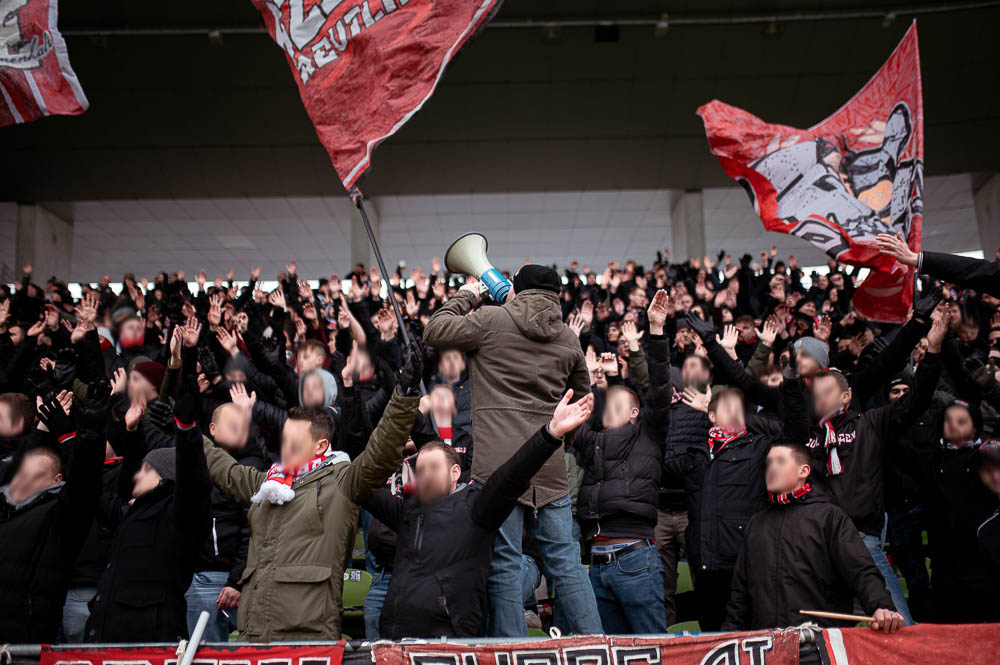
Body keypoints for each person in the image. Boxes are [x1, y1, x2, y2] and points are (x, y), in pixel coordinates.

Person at [199, 344, 422, 641]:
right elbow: (225, 470)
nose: (284, 447)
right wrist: (188, 428)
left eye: (294, 439)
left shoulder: (342, 481)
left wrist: (405, 393)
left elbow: (381, 451)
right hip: (256, 636)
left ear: (320, 446)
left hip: (307, 639)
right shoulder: (268, 483)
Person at [423, 264, 599, 636]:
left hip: (496, 469)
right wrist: (558, 445)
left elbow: (434, 329)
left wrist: (468, 294)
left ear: (516, 289)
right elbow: (582, 403)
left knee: (504, 564)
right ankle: (595, 645)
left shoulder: (489, 319)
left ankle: (511, 652)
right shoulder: (568, 337)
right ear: (555, 294)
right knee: (566, 563)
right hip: (549, 468)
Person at [367, 389, 594, 639]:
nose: (426, 475)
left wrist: (550, 433)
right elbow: (361, 481)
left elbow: (512, 475)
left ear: (455, 473)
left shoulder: (475, 508)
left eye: (433, 467)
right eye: (420, 470)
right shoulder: (407, 512)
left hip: (449, 643)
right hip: (397, 640)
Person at [722, 441, 905, 633]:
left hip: (818, 645)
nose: (772, 468)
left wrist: (881, 606)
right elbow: (740, 593)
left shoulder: (830, 517)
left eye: (781, 461)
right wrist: (728, 634)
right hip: (768, 647)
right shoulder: (757, 524)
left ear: (804, 471)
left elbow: (860, 569)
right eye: (769, 463)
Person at [573, 291, 672, 633]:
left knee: (651, 648)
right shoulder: (593, 442)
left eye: (619, 402)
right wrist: (577, 352)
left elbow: (659, 389)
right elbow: (572, 411)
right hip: (597, 563)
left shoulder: (649, 433)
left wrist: (656, 330)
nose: (609, 405)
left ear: (634, 413)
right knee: (609, 652)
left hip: (635, 558)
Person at [85, 394, 213, 642]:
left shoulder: (180, 513)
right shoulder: (130, 512)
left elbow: (194, 481)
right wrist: (99, 432)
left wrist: (186, 429)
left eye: (146, 470)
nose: (136, 476)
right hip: (104, 633)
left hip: (149, 639)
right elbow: (91, 492)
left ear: (165, 477)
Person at [0, 391, 106, 643]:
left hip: (27, 638)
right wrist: (42, 426)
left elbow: (84, 484)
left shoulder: (60, 515)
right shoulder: (5, 508)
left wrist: (88, 436)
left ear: (56, 481)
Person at [184, 398, 270, 642]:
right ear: (212, 430)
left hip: (230, 578)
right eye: (231, 423)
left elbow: (253, 531)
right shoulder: (194, 465)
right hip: (198, 575)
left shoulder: (253, 469)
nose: (238, 429)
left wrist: (236, 580)